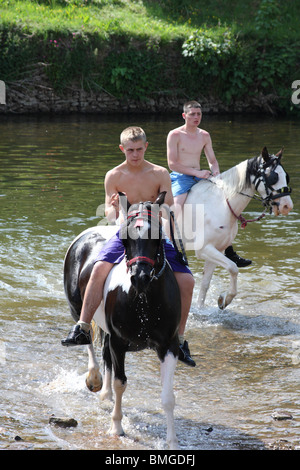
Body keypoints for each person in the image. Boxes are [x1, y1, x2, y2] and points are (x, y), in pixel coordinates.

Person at [62, 126, 196, 367]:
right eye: (130, 150)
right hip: (125, 231)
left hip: (154, 231)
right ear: (122, 149)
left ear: (146, 147)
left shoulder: (159, 172)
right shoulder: (114, 175)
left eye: (139, 149)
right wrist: (114, 206)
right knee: (99, 269)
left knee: (187, 281)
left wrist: (155, 209)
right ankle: (82, 326)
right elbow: (109, 214)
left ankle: (180, 339)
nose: (135, 154)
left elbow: (170, 209)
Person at [167, 100, 252, 267]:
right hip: (181, 177)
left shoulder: (204, 135)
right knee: (175, 207)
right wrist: (197, 172)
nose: (196, 117)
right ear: (184, 116)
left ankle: (229, 250)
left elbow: (212, 161)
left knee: (225, 203)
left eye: (199, 114)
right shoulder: (174, 135)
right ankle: (170, 247)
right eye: (192, 114)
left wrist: (217, 174)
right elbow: (172, 164)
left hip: (201, 177)